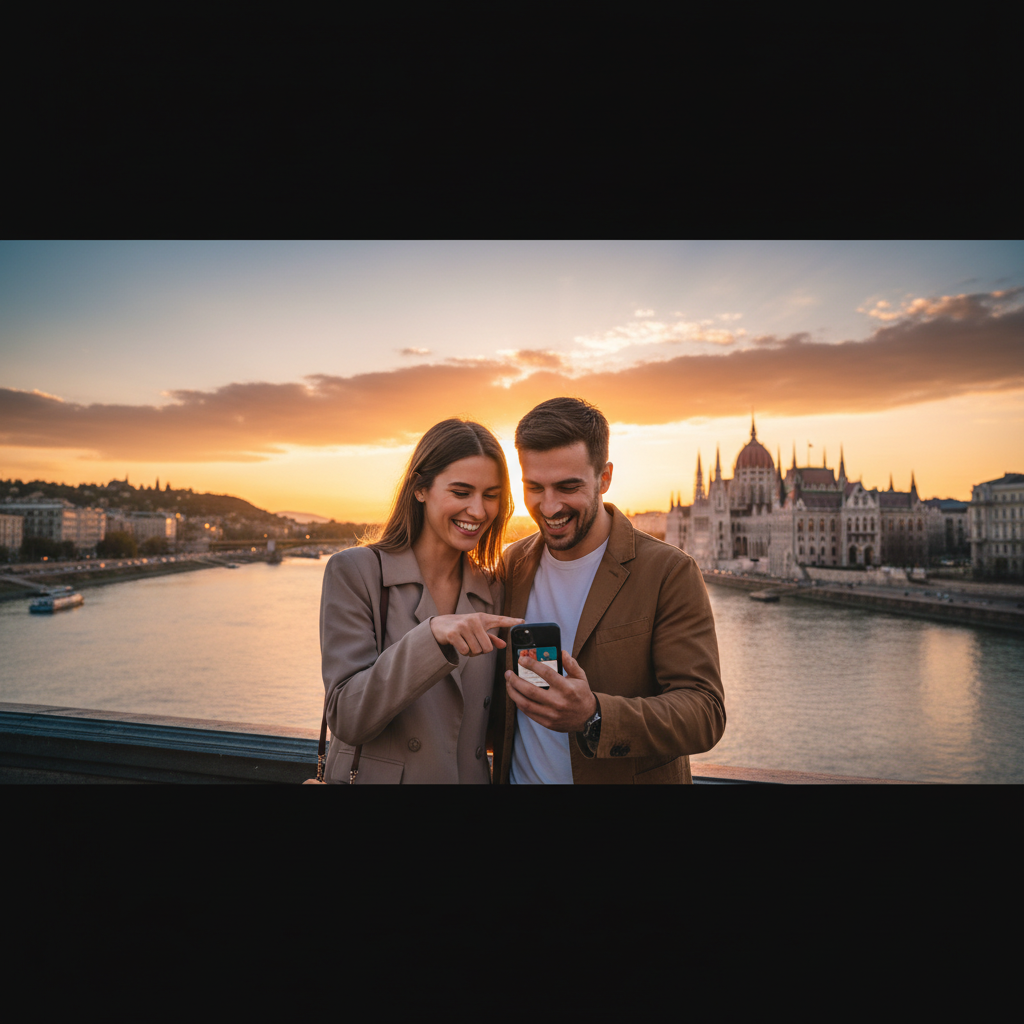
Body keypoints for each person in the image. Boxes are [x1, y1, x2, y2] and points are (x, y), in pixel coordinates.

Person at [491, 397, 726, 784]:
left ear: (605, 478)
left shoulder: (668, 572)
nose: (549, 507)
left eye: (568, 486)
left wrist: (594, 715)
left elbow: (704, 713)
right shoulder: (511, 565)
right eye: (535, 487)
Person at [319, 419, 523, 784]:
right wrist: (430, 638)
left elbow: (487, 723)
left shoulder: (493, 588)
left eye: (491, 495)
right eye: (461, 493)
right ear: (420, 489)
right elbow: (347, 716)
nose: (478, 511)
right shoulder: (356, 572)